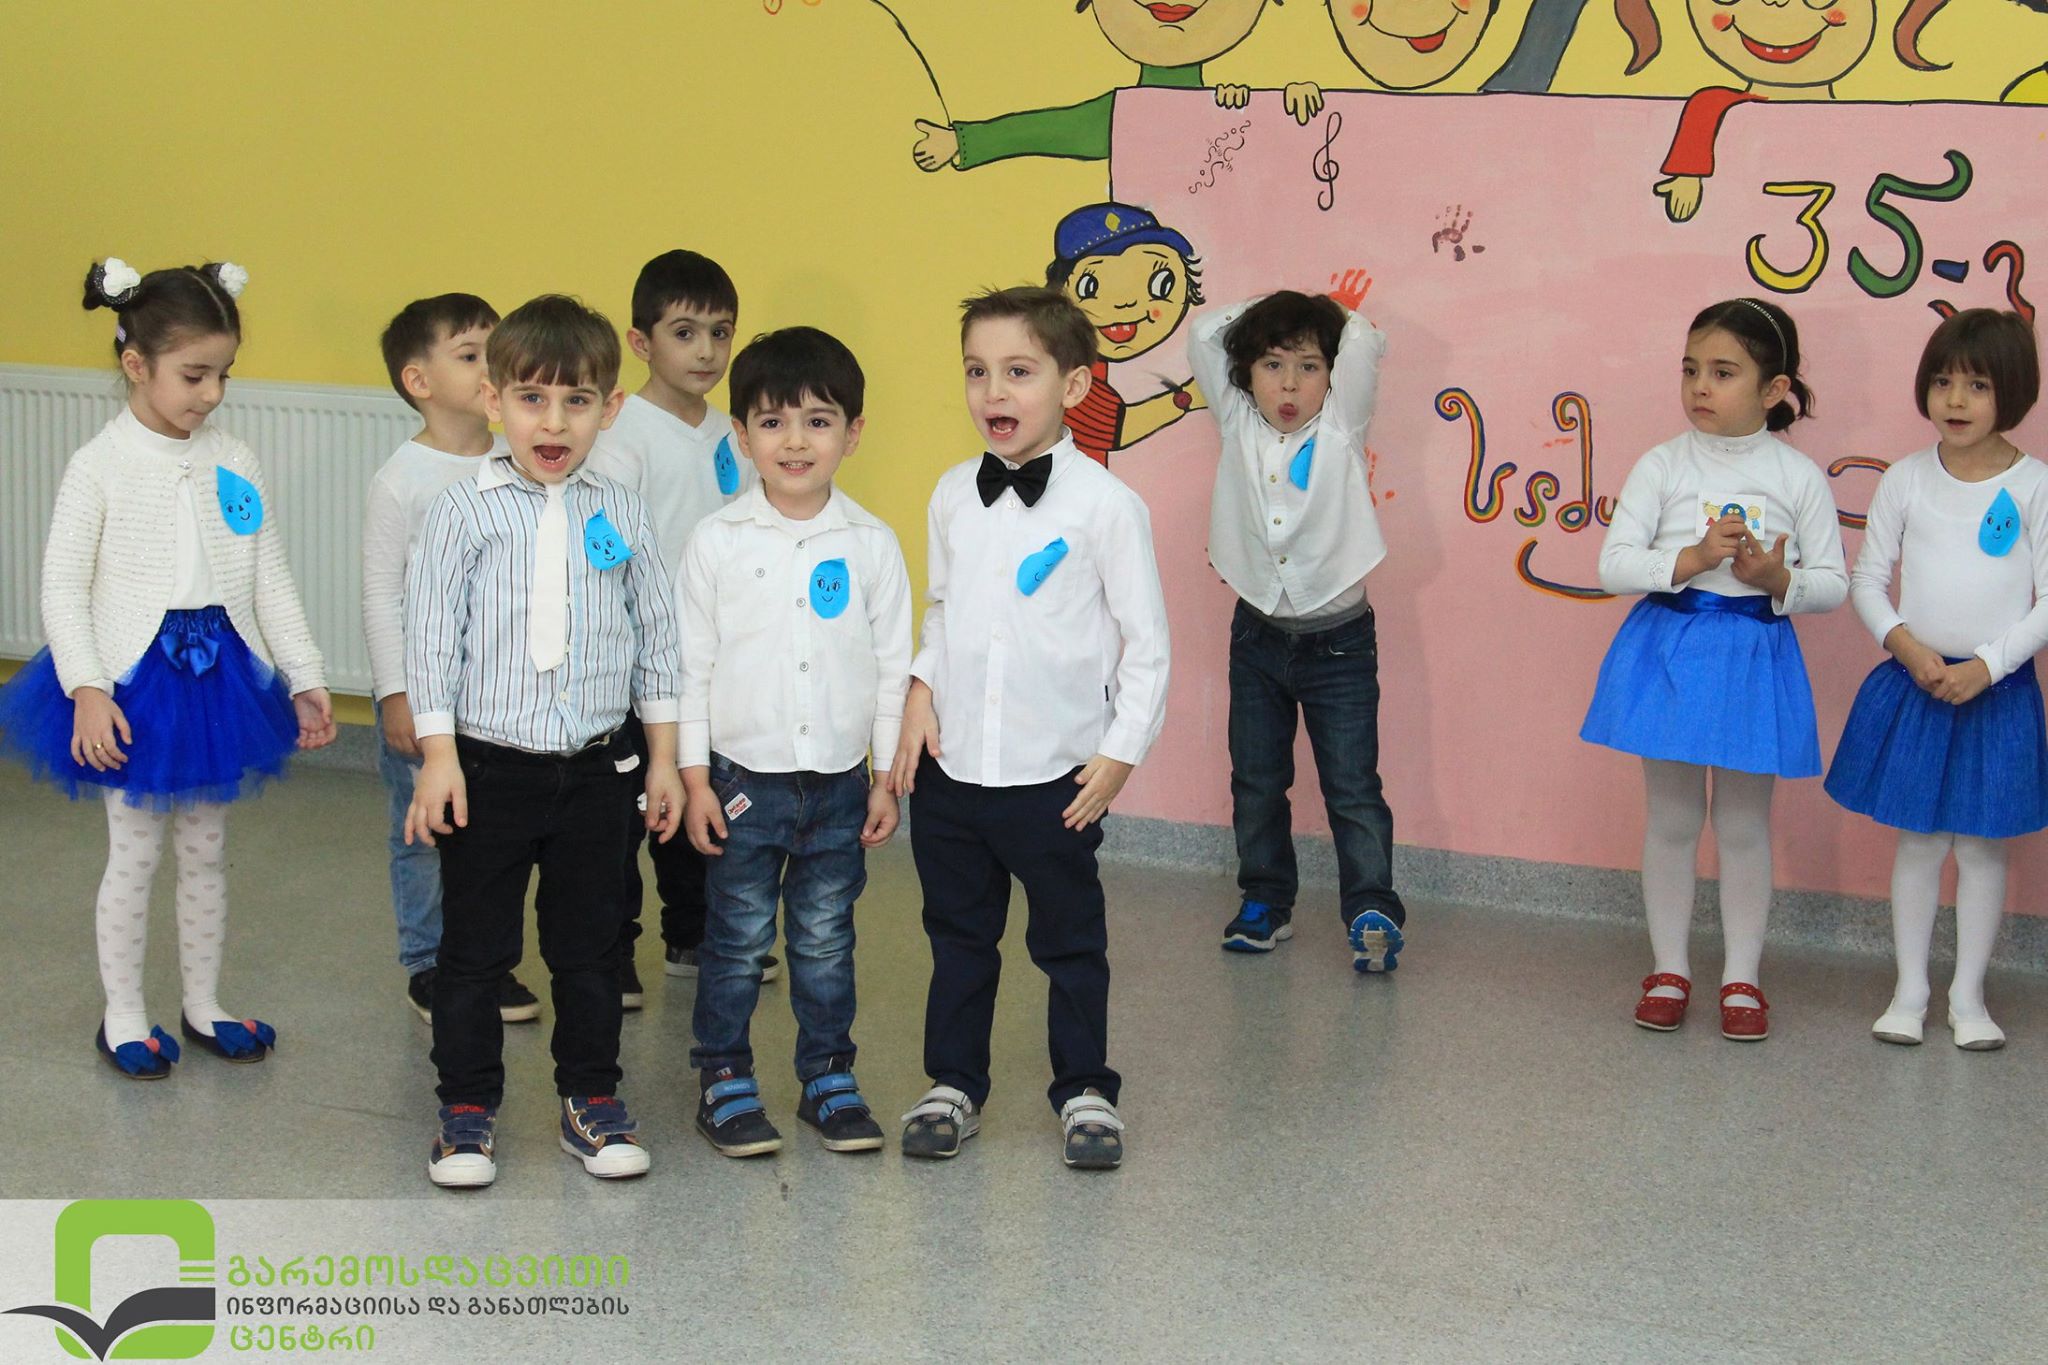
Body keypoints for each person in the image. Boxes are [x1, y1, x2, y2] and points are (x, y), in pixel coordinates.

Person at [0, 258, 334, 1077]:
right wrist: (87, 687)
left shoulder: (236, 459)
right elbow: (62, 586)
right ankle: (122, 1013)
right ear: (135, 364)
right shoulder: (99, 465)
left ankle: (204, 1002)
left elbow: (269, 575)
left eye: (224, 374)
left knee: (206, 850)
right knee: (136, 853)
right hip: (132, 681)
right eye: (194, 374)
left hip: (219, 675)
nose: (212, 393)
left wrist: (303, 672)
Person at [404, 295, 683, 1187]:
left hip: (599, 772)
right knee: (475, 952)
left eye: (576, 401)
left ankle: (590, 1098)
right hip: (488, 769)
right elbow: (431, 642)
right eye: (531, 398)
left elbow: (659, 638)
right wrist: (439, 758)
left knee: (592, 949)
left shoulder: (625, 512)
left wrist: (665, 760)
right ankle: (466, 1109)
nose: (553, 422)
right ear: (495, 402)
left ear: (609, 408)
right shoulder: (462, 510)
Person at [892, 286, 1170, 1170]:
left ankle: (1085, 1088)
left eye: (1018, 371)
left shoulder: (1107, 507)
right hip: (954, 773)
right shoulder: (952, 494)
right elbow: (942, 609)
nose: (994, 392)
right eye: (977, 372)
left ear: (1074, 385)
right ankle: (953, 1083)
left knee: (1069, 942)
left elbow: (1147, 645)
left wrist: (1119, 754)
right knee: (958, 938)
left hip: (1055, 778)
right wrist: (920, 686)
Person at [1581, 297, 1846, 1041]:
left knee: (1743, 823)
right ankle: (1669, 968)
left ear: (1773, 388)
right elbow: (1613, 566)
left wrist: (1776, 579)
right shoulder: (1662, 463)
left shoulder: (1797, 475)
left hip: (1754, 655)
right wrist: (1692, 559)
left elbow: (1833, 583)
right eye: (1691, 369)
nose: (1701, 385)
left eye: (1724, 372)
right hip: (1670, 651)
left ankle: (1742, 976)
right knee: (1671, 819)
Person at [677, 327, 912, 1157]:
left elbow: (892, 668)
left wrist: (885, 778)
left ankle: (826, 1076)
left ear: (853, 432)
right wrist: (694, 779)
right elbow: (691, 667)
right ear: (742, 436)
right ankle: (724, 1075)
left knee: (824, 938)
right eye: (773, 422)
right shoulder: (717, 541)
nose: (796, 441)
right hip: (743, 780)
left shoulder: (872, 544)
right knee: (738, 940)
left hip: (841, 783)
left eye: (818, 420)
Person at [1825, 309, 2048, 1051]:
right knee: (1919, 842)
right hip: (1918, 683)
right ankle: (1910, 990)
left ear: (2013, 392)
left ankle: (1969, 997)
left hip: (1998, 692)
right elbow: (1867, 580)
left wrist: (1988, 665)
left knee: (1982, 847)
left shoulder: (2036, 487)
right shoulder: (1906, 479)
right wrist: (1907, 646)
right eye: (1944, 381)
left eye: (1977, 385)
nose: (1956, 399)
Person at [1187, 288, 1404, 969]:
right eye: (1272, 365)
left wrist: (1318, 312)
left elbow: (1364, 338)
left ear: (1331, 376)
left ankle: (1370, 907)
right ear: (1245, 372)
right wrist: (1269, 311)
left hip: (1340, 643)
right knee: (1256, 781)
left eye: (1308, 366)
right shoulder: (1236, 420)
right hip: (1256, 636)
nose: (1288, 384)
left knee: (1352, 785)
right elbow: (1204, 334)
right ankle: (1265, 901)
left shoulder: (1341, 423)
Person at [586, 248, 774, 1003]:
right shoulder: (620, 432)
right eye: (685, 332)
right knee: (627, 815)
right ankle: (611, 951)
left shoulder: (734, 433)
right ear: (641, 342)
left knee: (702, 794)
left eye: (720, 333)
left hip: (712, 658)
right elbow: (606, 550)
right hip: (636, 664)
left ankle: (693, 935)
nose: (706, 351)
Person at [363, 292, 542, 1025]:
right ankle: (429, 963)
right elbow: (383, 596)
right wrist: (395, 693)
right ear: (420, 381)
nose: (489, 367)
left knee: (490, 838)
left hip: (498, 700)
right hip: (425, 695)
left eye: (494, 353)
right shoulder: (401, 479)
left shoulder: (518, 460)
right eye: (470, 356)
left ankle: (485, 961)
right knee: (425, 835)